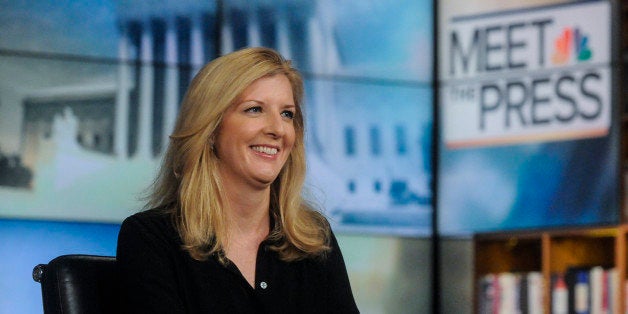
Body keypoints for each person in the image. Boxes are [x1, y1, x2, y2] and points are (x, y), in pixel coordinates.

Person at [116, 47, 359, 313]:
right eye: (255, 109)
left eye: (287, 114)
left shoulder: (313, 239)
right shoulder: (151, 238)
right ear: (210, 129)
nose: (277, 129)